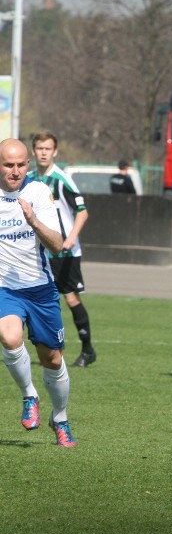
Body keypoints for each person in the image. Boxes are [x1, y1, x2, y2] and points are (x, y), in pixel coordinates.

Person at [0, 138, 76, 446]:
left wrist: (33, 221)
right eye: (8, 165)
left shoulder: (37, 192)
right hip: (5, 287)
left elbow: (57, 245)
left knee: (53, 359)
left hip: (41, 289)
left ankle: (60, 416)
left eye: (20, 165)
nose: (15, 171)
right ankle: (29, 395)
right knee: (9, 336)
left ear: (28, 165)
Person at [28, 131, 96, 368]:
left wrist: (70, 239)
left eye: (48, 148)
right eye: (39, 148)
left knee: (70, 298)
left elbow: (83, 211)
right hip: (40, 252)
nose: (44, 152)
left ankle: (88, 350)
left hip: (65, 253)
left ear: (55, 152)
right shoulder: (29, 179)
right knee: (38, 297)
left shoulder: (62, 179)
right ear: (34, 151)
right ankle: (49, 348)